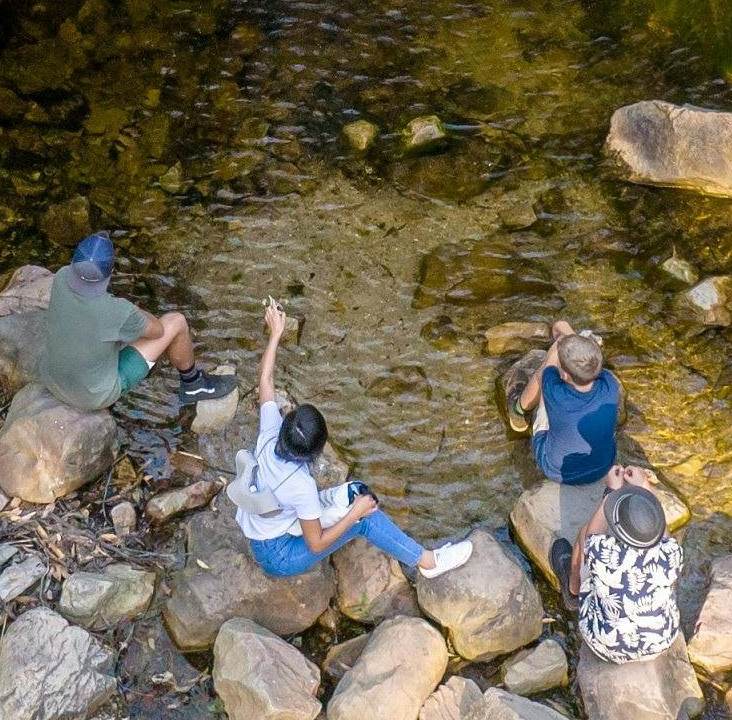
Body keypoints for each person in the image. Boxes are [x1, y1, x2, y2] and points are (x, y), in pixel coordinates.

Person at [232, 300, 475, 581]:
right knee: (365, 518)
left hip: (265, 527)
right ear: (313, 454)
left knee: (348, 495)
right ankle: (428, 562)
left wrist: (275, 333)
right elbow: (317, 544)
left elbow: (265, 379)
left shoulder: (270, 434)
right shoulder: (300, 485)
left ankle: (346, 507)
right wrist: (355, 515)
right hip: (278, 554)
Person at [36, 230, 227, 414]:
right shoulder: (118, 311)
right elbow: (157, 331)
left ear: (73, 263)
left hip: (51, 379)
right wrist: (134, 309)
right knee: (176, 322)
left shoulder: (61, 276)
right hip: (91, 396)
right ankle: (193, 384)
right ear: (111, 271)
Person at [505, 319, 626, 587]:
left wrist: (562, 335)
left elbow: (549, 365)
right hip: (604, 464)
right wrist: (578, 341)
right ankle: (576, 338)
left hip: (556, 468)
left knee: (544, 374)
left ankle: (517, 414)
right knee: (567, 339)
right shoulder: (609, 385)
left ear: (566, 376)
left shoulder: (555, 388)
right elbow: (586, 362)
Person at [571, 481, 684, 663]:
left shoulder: (604, 553)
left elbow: (592, 532)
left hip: (605, 646)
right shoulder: (671, 553)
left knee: (583, 533)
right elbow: (664, 535)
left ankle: (573, 589)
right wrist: (645, 487)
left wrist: (611, 491)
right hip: (660, 644)